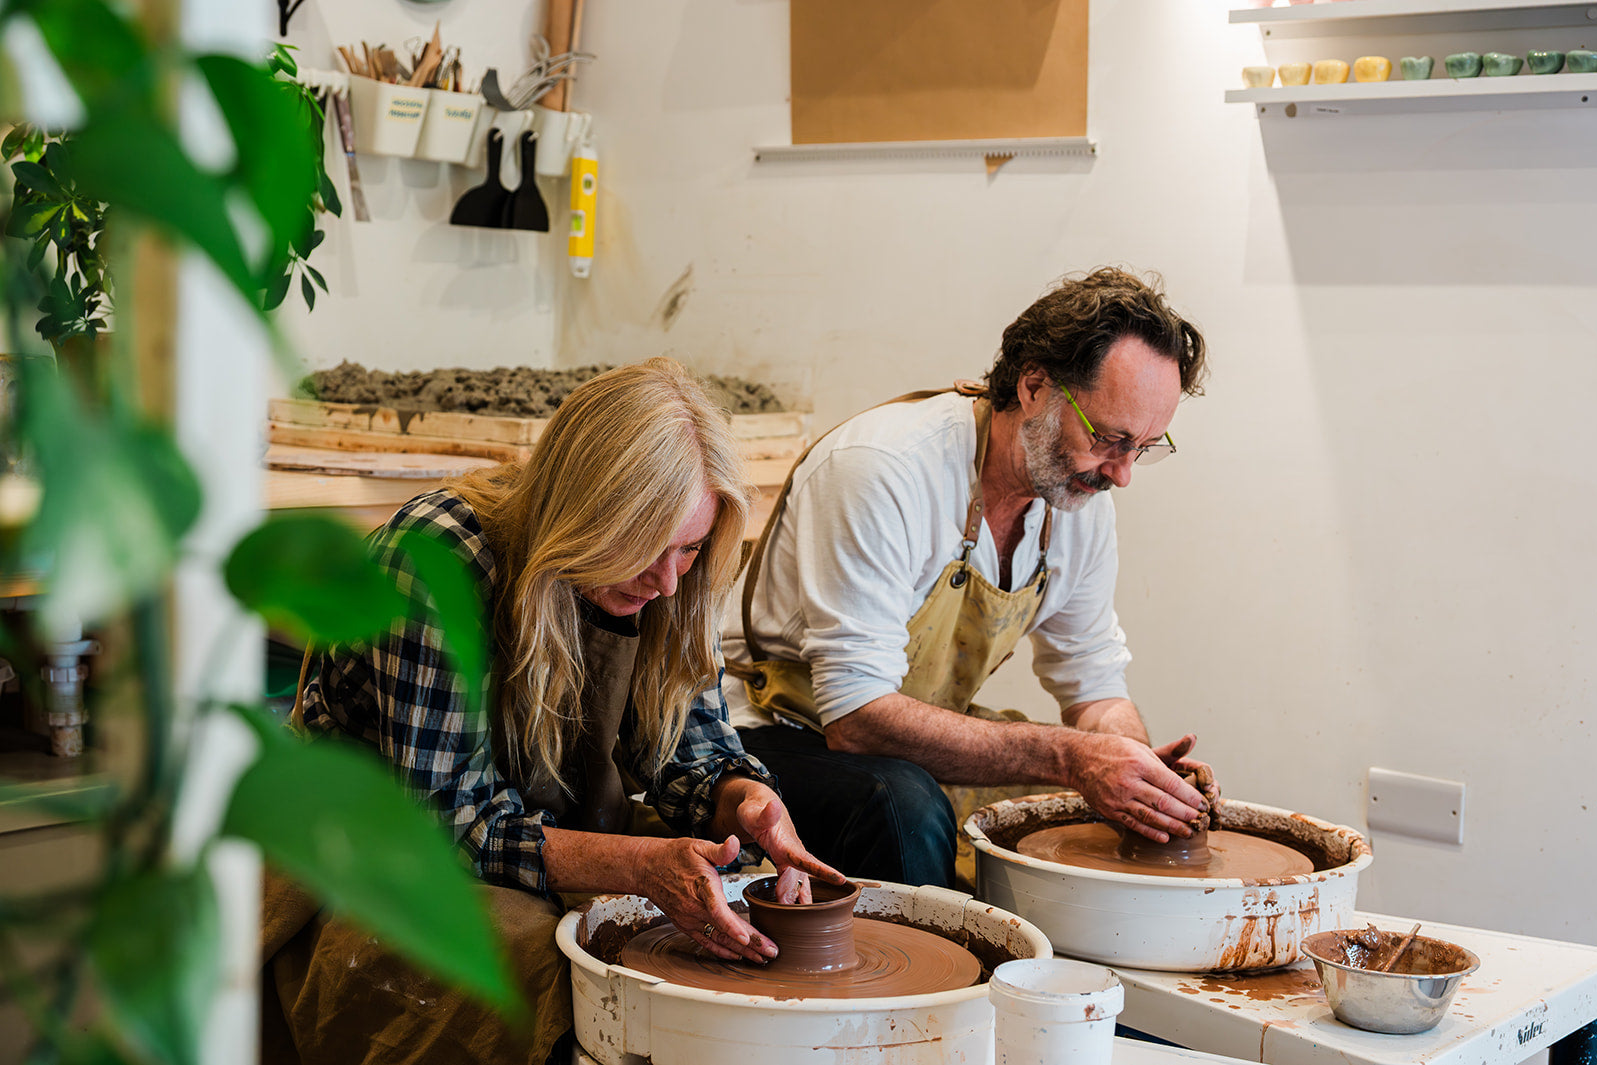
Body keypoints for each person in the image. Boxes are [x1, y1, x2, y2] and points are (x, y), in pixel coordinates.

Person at [262, 358, 843, 1065]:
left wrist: (745, 800)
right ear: (585, 515)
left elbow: (687, 749)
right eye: (645, 547)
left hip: (542, 824)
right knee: (550, 966)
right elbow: (450, 818)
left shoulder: (670, 580)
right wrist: (636, 868)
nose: (667, 581)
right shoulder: (438, 557)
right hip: (368, 851)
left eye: (689, 548)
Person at [725, 267, 1217, 891]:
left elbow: (1093, 683)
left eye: (1144, 447)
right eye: (1109, 439)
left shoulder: (1078, 503)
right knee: (904, 806)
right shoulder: (884, 469)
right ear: (1034, 386)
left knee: (1071, 812)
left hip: (900, 736)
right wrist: (1071, 756)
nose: (1121, 474)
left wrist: (1142, 773)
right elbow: (856, 716)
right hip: (769, 733)